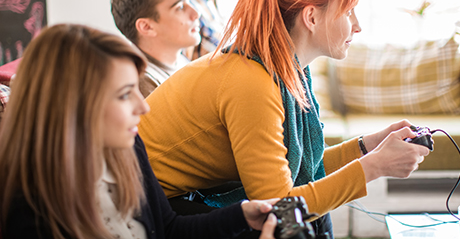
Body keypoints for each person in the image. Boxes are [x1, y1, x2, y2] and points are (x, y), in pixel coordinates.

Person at [138, 0, 431, 238]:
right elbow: (281, 206)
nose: (357, 25)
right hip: (152, 204)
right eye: (348, 11)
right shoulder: (252, 82)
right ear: (312, 17)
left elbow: (305, 171)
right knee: (299, 223)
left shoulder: (284, 69)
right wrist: (375, 166)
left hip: (180, 196)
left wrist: (367, 147)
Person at [0, 24, 278, 239]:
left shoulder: (128, 147)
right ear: (73, 107)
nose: (142, 107)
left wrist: (241, 216)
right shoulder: (27, 202)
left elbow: (168, 229)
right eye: (124, 95)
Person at [111, 0, 201, 97]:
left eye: (190, 2)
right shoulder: (142, 84)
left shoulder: (180, 61)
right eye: (180, 7)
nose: (196, 13)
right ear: (147, 27)